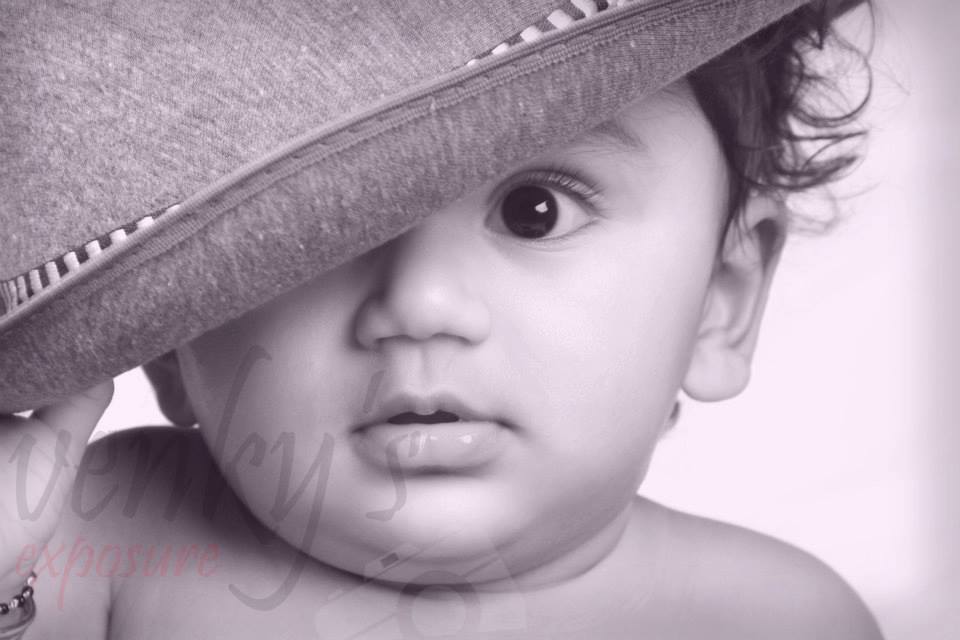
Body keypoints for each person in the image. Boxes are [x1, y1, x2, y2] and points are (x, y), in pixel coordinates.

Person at [0, 0, 885, 637]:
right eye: (317, 236)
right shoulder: (94, 547)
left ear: (722, 300)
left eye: (535, 212)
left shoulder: (774, 617)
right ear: (168, 345)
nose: (420, 304)